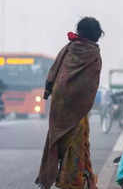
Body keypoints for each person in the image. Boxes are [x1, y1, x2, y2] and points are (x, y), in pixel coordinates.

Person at [35, 17, 104, 189]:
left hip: (59, 102)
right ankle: (71, 182)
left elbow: (54, 70)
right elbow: (91, 82)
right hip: (78, 105)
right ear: (96, 34)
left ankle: (48, 177)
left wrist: (49, 88)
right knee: (76, 142)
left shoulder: (69, 48)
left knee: (55, 136)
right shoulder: (93, 53)